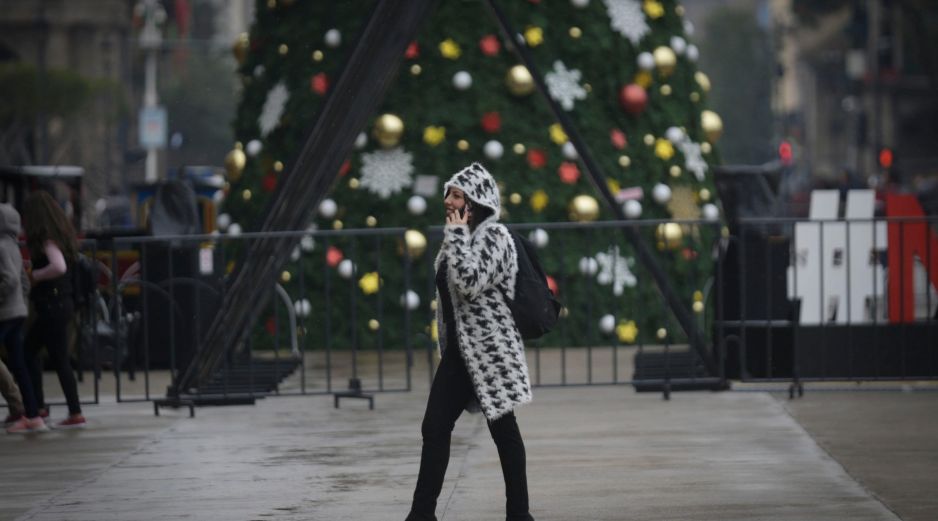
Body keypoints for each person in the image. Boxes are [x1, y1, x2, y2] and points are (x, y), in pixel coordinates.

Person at [406, 163, 535, 521]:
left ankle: (519, 514)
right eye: (448, 193)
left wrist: (458, 233)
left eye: (457, 194)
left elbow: (468, 281)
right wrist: (457, 234)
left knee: (503, 432)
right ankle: (422, 514)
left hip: (490, 352)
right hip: (461, 354)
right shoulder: (457, 237)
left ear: (475, 201)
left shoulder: (496, 239)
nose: (448, 200)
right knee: (435, 427)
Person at [22, 191, 85, 429]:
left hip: (52, 304)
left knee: (29, 351)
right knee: (58, 358)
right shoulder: (60, 234)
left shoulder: (47, 238)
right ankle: (73, 411)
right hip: (61, 303)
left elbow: (57, 266)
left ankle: (40, 408)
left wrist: (36, 275)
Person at [1, 203, 48, 433]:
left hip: (5, 313)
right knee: (19, 364)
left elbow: (9, 280)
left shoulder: (0, 246)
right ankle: (32, 415)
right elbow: (24, 281)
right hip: (18, 311)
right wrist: (21, 302)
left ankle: (27, 412)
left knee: (18, 364)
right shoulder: (13, 246)